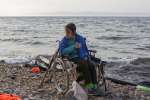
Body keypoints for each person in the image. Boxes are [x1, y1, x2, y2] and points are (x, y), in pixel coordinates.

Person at [59, 23, 98, 95]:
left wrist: (86, 56)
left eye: (68, 32)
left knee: (92, 65)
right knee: (84, 64)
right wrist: (74, 46)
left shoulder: (80, 38)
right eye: (66, 32)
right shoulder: (64, 40)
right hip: (71, 58)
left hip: (82, 57)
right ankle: (89, 85)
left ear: (73, 32)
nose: (66, 34)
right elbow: (62, 51)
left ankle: (95, 86)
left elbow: (85, 50)